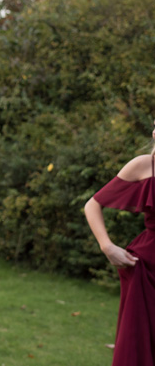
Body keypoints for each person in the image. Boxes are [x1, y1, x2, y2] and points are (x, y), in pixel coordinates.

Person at [84, 124, 155, 366]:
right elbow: (93, 204)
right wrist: (107, 246)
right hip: (147, 270)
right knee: (139, 351)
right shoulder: (145, 165)